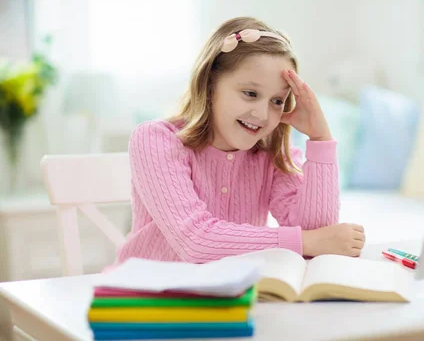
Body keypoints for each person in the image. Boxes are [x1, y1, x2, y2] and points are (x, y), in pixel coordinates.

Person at [112, 16, 365, 265]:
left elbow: (320, 233)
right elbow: (196, 241)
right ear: (210, 83)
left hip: (230, 296)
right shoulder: (157, 140)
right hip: (149, 295)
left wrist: (320, 139)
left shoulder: (272, 153)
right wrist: (307, 242)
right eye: (250, 93)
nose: (262, 114)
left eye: (277, 100)